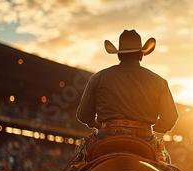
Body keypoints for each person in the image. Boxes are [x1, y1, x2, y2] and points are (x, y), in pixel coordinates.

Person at [76, 29, 179, 163]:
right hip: (145, 138)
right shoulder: (159, 82)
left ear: (119, 55)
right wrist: (152, 127)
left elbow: (83, 115)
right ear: (141, 55)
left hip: (106, 136)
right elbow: (171, 118)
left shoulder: (98, 77)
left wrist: (98, 124)